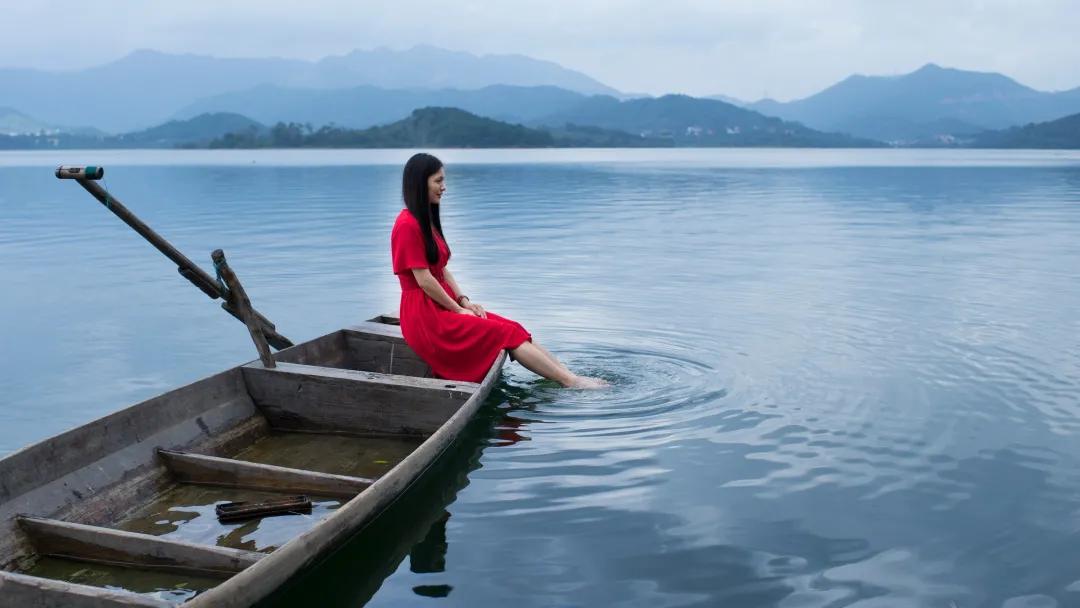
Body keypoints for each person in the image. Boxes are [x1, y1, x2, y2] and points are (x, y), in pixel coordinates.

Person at [390, 152, 606, 389]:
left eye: (444, 180)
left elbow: (442, 271)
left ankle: (567, 374)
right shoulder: (407, 225)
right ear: (421, 183)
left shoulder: (426, 220)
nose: (444, 187)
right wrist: (457, 310)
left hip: (443, 307)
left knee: (514, 328)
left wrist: (464, 301)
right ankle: (570, 382)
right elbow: (425, 280)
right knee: (504, 334)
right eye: (438, 181)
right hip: (426, 318)